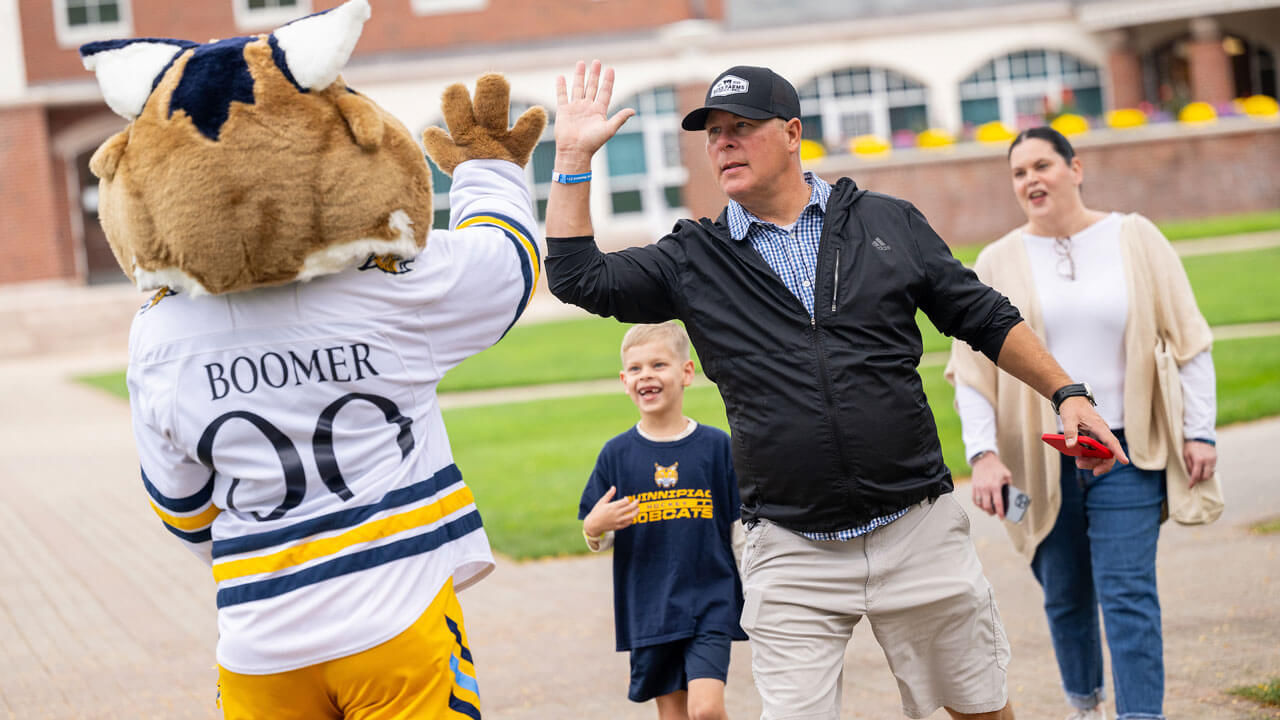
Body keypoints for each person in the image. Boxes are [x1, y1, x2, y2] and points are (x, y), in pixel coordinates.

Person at [545, 60, 1128, 720]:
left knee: (980, 708)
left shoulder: (886, 222)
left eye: (741, 128)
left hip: (916, 527)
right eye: (713, 134)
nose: (723, 144)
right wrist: (571, 158)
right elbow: (576, 277)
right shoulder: (693, 259)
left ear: (792, 133)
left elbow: (983, 315)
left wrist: (1068, 393)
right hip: (791, 551)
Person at [945, 126, 1217, 720]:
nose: (1031, 180)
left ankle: (1140, 715)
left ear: (1076, 167)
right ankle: (1085, 706)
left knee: (1128, 593)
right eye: (1018, 173)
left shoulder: (1135, 237)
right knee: (1066, 597)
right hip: (1039, 454)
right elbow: (971, 374)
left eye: (1042, 165)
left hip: (1126, 448)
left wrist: (1201, 431)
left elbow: (1191, 341)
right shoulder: (998, 259)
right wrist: (984, 456)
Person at [579, 321, 747, 720]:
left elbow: (739, 529)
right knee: (674, 716)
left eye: (658, 364)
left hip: (711, 600)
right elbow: (595, 531)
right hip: (649, 607)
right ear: (624, 381)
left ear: (686, 373)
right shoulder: (616, 455)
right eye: (636, 369)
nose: (646, 375)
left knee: (706, 710)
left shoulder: (716, 447)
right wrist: (594, 525)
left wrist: (755, 586)